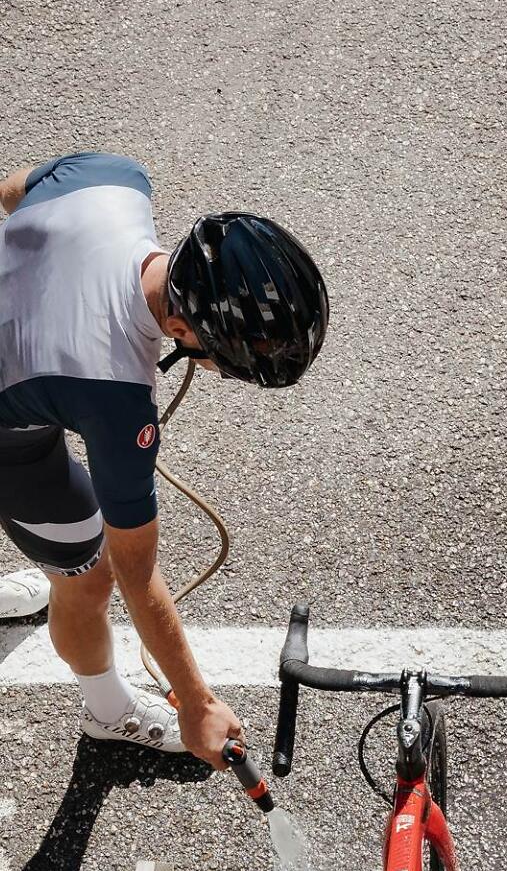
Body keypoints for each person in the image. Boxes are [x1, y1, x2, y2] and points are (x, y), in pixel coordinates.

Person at [0, 153, 328, 761]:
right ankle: (107, 710)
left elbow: (15, 192)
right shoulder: (116, 398)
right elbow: (136, 571)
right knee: (90, 575)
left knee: (58, 529)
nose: (222, 372)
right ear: (178, 326)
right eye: (226, 360)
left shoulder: (113, 180)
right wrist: (197, 704)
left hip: (24, 373)